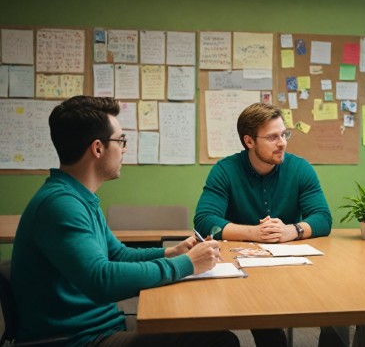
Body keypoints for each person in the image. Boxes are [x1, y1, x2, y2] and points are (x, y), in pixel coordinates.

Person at [10, 96, 239, 346]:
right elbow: (102, 280)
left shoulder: (78, 197)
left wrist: (171, 253)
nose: (125, 149)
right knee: (218, 341)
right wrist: (186, 264)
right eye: (121, 141)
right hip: (76, 339)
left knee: (194, 324)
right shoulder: (61, 204)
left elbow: (117, 255)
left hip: (100, 325)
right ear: (97, 148)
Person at [193, 102, 335, 347]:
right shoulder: (225, 170)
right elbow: (205, 221)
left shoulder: (300, 168)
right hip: (243, 267)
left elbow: (323, 217)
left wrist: (292, 230)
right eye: (272, 137)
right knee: (264, 322)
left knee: (334, 305)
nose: (282, 143)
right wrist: (255, 233)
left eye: (284, 134)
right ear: (249, 141)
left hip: (292, 264)